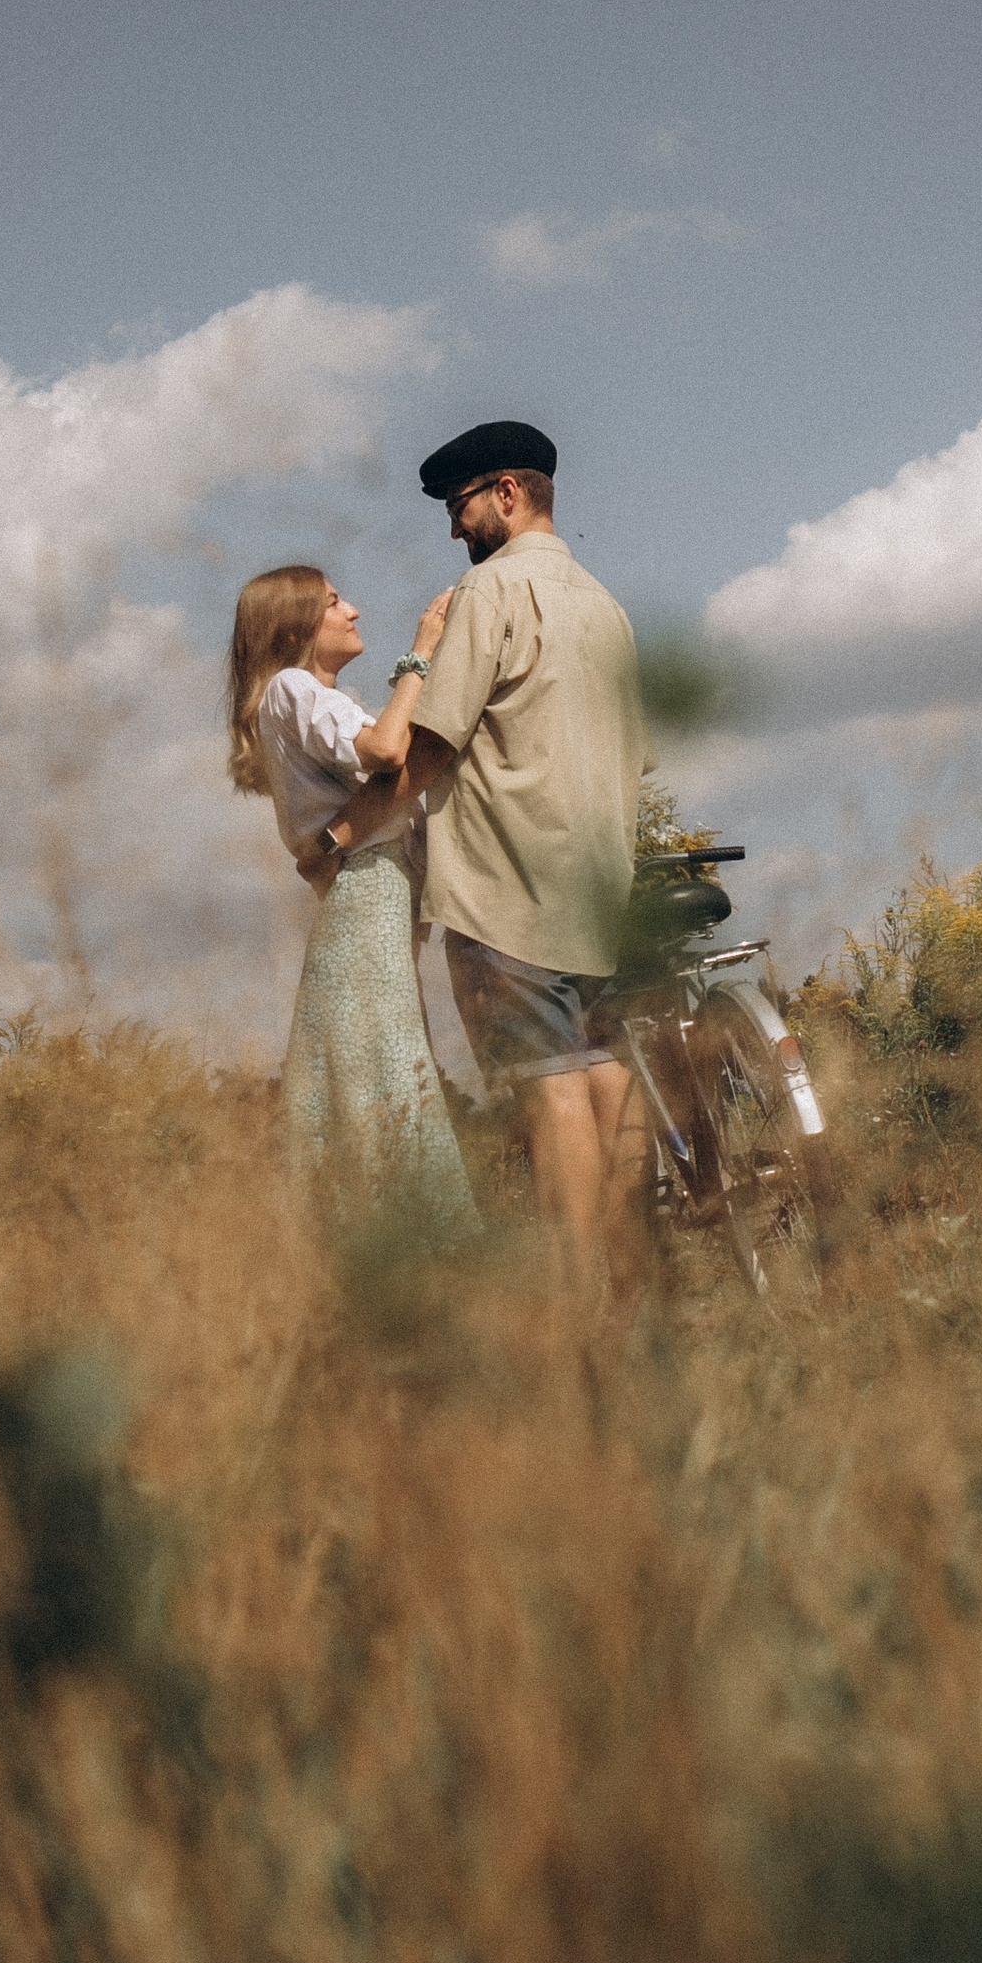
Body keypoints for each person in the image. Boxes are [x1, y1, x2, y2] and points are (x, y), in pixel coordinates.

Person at [369, 420, 653, 1302]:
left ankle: (574, 1302)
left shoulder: (488, 593)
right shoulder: (607, 607)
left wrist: (353, 832)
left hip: (504, 882)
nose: (454, 531)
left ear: (505, 492)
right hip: (601, 885)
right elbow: (635, 755)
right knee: (607, 1072)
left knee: (549, 1087)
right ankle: (629, 1282)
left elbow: (432, 742)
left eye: (458, 509)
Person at [224, 560, 477, 1242]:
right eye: (335, 602)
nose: (353, 611)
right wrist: (421, 650)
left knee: (366, 1075)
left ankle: (364, 1254)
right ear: (295, 626)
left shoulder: (296, 696)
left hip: (364, 893)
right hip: (366, 889)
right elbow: (389, 749)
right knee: (390, 1074)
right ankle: (424, 1251)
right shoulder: (293, 689)